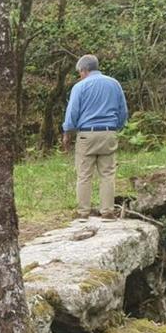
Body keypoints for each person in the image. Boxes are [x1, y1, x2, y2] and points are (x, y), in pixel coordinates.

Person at [62, 54, 129, 220]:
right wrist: (116, 127)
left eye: (80, 72)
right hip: (109, 133)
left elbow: (72, 113)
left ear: (84, 70)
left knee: (84, 174)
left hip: (86, 134)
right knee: (107, 173)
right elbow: (123, 111)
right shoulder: (114, 84)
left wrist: (67, 132)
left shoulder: (80, 87)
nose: (80, 75)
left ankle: (83, 212)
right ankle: (107, 211)